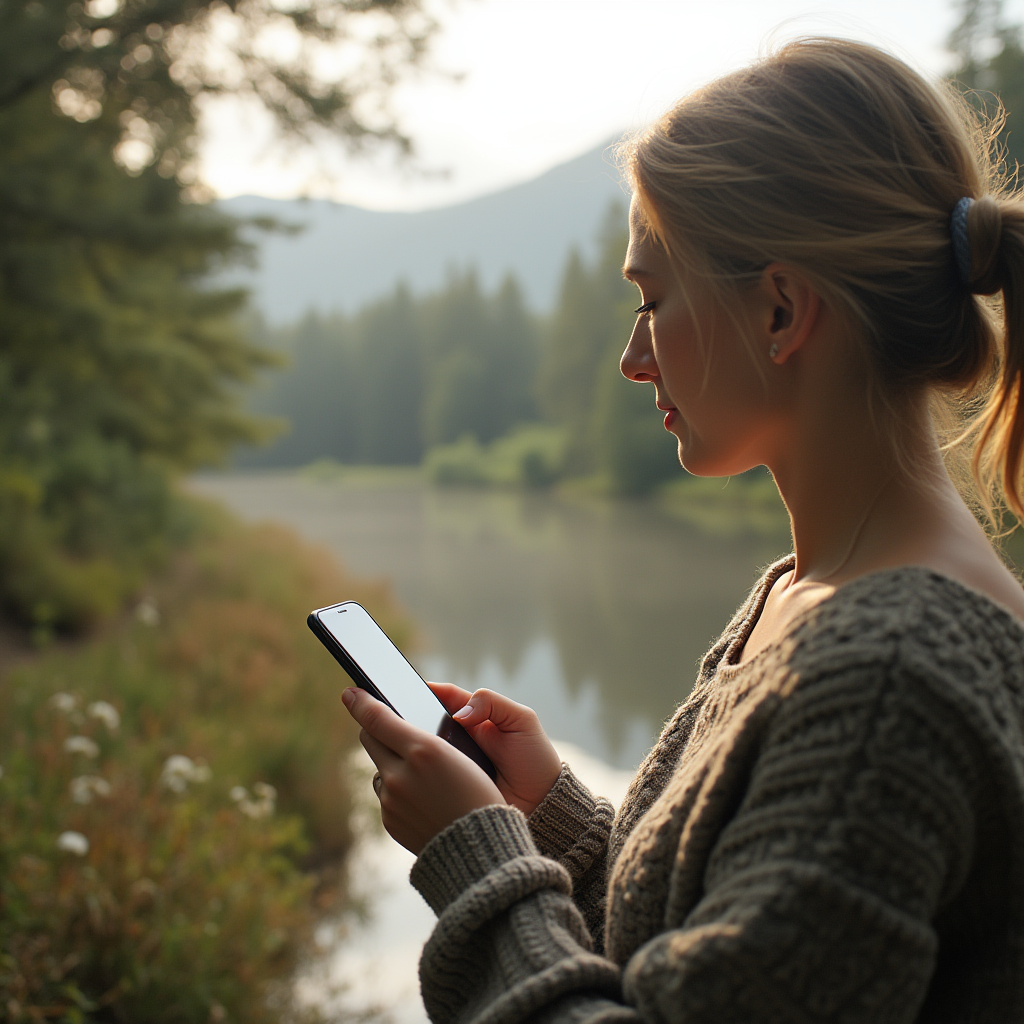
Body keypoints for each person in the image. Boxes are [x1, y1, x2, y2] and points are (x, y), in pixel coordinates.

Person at [342, 37, 1024, 1023]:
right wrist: (550, 824)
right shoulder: (803, 593)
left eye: (653, 301)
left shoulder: (888, 675)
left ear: (781, 309)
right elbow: (727, 941)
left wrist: (479, 860)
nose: (631, 357)